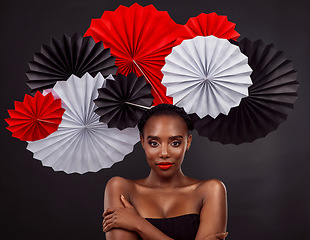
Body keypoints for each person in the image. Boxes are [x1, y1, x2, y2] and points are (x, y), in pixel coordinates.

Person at [102, 104, 228, 240]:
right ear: (143, 141)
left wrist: (138, 224)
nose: (164, 153)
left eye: (175, 143)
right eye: (154, 143)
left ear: (188, 142)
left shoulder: (211, 190)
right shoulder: (120, 188)